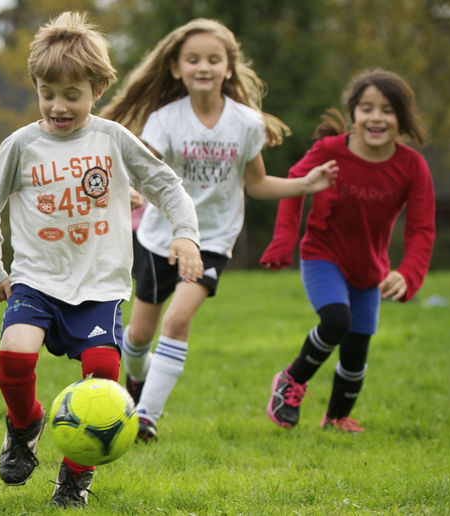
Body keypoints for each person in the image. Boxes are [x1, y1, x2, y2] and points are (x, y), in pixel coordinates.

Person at [0, 11, 202, 509]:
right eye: (47, 92)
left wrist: (186, 235)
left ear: (98, 88)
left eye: (71, 94)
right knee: (13, 357)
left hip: (99, 286)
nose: (57, 106)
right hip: (36, 280)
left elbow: (164, 183)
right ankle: (26, 422)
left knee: (101, 375)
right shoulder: (21, 145)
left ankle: (75, 476)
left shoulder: (112, 139)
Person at [99, 18, 337, 442]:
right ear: (176, 68)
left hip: (211, 241)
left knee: (178, 320)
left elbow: (257, 183)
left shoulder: (246, 123)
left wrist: (305, 183)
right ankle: (137, 382)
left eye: (213, 59)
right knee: (137, 335)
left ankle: (146, 417)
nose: (203, 66)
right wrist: (132, 192)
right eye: (193, 59)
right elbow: (147, 175)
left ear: (229, 67)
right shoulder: (165, 120)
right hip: (159, 238)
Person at [262, 69, 435, 433]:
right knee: (337, 321)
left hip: (370, 269)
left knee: (357, 350)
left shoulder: (412, 166)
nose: (376, 117)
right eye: (366, 108)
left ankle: (337, 418)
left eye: (387, 110)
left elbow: (421, 229)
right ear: (353, 114)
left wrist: (408, 274)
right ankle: (290, 383)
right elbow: (296, 183)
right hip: (323, 254)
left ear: (401, 118)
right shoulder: (330, 151)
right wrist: (283, 240)